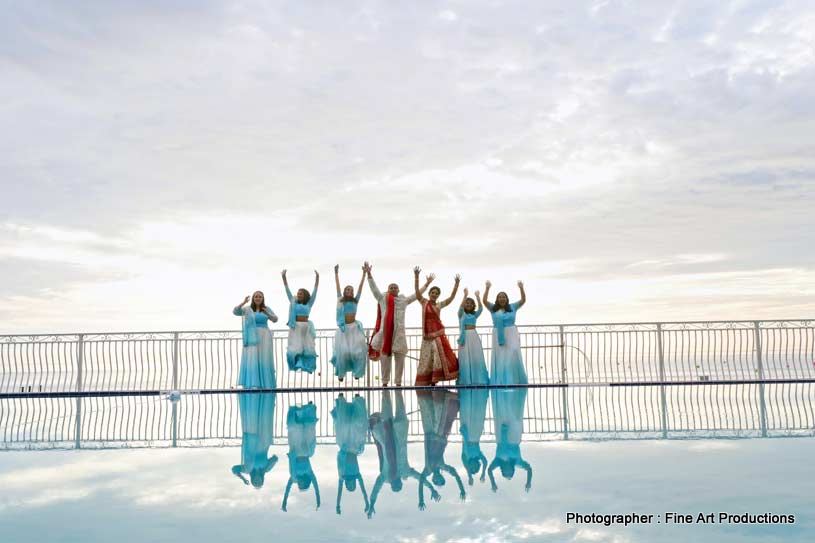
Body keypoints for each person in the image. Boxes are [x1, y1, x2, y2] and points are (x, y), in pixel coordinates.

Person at [368, 389, 440, 516]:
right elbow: (376, 489)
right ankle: (391, 385)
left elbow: (420, 478)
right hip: (392, 430)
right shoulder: (389, 475)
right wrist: (431, 489)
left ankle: (394, 385)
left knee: (394, 401)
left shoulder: (398, 473)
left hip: (395, 430)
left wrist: (432, 489)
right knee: (389, 401)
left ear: (398, 482)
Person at [364, 262, 433, 387]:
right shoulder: (382, 299)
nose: (394, 289)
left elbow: (416, 295)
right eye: (391, 287)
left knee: (400, 360)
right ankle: (385, 382)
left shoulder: (403, 300)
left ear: (399, 290)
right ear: (388, 289)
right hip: (385, 334)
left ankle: (398, 383)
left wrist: (427, 284)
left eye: (396, 287)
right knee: (385, 359)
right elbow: (374, 289)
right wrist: (369, 274)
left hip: (399, 335)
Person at [417, 389, 466, 503]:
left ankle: (432, 393)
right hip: (440, 437)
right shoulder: (442, 466)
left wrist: (422, 499)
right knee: (441, 415)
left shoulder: (428, 469)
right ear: (442, 477)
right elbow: (455, 475)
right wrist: (462, 489)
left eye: (436, 481)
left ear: (433, 479)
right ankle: (443, 395)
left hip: (430, 436)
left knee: (430, 413)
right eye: (441, 480)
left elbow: (421, 482)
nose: (438, 479)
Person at [414, 267, 460, 386]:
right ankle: (427, 380)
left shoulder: (439, 305)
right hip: (426, 336)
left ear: (438, 295)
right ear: (429, 294)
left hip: (437, 335)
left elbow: (450, 299)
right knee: (427, 357)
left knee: (437, 354)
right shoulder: (424, 302)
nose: (434, 295)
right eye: (432, 293)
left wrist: (456, 285)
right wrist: (417, 277)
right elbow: (417, 293)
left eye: (436, 293)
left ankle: (435, 379)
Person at [482, 280, 528, 385]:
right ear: (497, 299)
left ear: (507, 299)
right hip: (498, 334)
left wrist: (521, 288)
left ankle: (513, 380)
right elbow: (484, 301)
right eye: (500, 297)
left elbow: (523, 300)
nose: (502, 298)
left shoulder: (513, 307)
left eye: (503, 297)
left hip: (511, 334)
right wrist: (487, 288)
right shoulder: (493, 308)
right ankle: (502, 381)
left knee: (512, 353)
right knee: (501, 357)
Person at [331, 394, 370, 515]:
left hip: (345, 446)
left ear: (347, 485)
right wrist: (367, 502)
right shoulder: (357, 475)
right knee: (357, 424)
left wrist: (338, 504)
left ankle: (342, 401)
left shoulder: (343, 477)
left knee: (344, 424)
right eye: (354, 485)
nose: (352, 484)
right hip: (354, 447)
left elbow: (339, 492)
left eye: (350, 486)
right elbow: (363, 490)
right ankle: (357, 400)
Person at [488, 388, 532, 493]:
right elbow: (529, 469)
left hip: (502, 429)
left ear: (503, 470)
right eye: (510, 472)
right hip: (514, 435)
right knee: (513, 410)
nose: (507, 470)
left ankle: (500, 389)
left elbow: (489, 471)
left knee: (502, 408)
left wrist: (493, 483)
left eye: (505, 472)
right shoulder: (517, 461)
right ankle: (515, 391)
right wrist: (528, 482)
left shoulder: (498, 461)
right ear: (512, 470)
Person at [231, 392, 278, 488]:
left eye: (255, 482)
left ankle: (251, 393)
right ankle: (265, 394)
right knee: (264, 415)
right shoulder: (265, 469)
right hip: (263, 439)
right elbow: (275, 458)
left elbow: (234, 469)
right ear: (262, 479)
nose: (257, 481)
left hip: (251, 437)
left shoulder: (247, 469)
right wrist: (267, 466)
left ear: (252, 480)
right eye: (259, 482)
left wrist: (242, 478)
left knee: (252, 414)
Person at [233, 291, 278, 389]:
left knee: (264, 358)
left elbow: (275, 319)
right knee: (252, 358)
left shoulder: (266, 309)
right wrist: (243, 302)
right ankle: (253, 383)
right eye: (256, 297)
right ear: (253, 298)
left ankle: (265, 383)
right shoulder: (248, 309)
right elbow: (235, 312)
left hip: (265, 336)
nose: (258, 298)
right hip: (251, 337)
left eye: (260, 297)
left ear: (263, 298)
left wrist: (267, 313)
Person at [331, 264, 368, 382]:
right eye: (348, 289)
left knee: (357, 352)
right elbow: (337, 287)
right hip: (344, 329)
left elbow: (360, 288)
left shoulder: (355, 301)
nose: (350, 291)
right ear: (344, 291)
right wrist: (336, 274)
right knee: (343, 353)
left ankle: (357, 373)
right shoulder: (341, 300)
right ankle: (341, 374)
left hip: (354, 328)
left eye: (351, 290)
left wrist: (364, 274)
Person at [282, 402, 321, 511]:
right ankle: (307, 410)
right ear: (306, 483)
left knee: (296, 429)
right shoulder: (309, 474)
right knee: (308, 428)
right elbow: (316, 486)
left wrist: (284, 502)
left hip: (296, 450)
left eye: (299, 485)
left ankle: (296, 412)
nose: (300, 483)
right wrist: (318, 500)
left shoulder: (294, 477)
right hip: (307, 450)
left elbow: (287, 489)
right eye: (302, 485)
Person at [282, 269, 319, 373]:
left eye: (301, 293)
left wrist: (317, 279)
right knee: (295, 348)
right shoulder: (294, 302)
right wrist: (284, 278)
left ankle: (306, 365)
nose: (298, 294)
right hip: (296, 327)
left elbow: (315, 292)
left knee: (307, 349)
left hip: (306, 327)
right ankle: (296, 364)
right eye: (298, 293)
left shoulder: (309, 304)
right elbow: (287, 291)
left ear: (305, 295)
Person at [456, 288, 489, 386]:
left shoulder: (474, 314)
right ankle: (466, 380)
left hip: (474, 336)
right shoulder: (461, 314)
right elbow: (461, 308)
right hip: (464, 337)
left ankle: (477, 379)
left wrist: (478, 297)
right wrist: (465, 295)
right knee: (465, 357)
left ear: (473, 305)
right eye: (467, 303)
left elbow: (481, 309)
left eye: (471, 303)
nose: (469, 304)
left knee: (476, 357)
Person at [459, 387, 489, 485]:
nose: (474, 466)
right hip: (475, 433)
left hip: (466, 431)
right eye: (476, 467)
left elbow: (465, 464)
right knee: (476, 410)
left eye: (472, 468)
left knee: (466, 407)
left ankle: (465, 389)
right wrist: (483, 473)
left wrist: (469, 476)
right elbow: (485, 462)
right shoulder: (478, 455)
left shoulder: (465, 457)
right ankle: (477, 392)